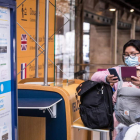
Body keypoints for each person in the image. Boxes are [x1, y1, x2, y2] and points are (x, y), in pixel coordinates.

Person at [91, 39, 140, 140]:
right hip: (119, 120)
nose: (129, 57)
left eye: (133, 54)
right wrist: (106, 78)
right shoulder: (118, 70)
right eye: (126, 55)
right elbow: (94, 76)